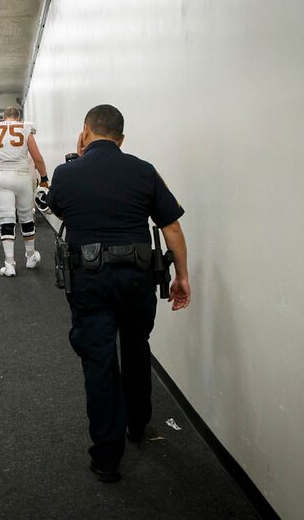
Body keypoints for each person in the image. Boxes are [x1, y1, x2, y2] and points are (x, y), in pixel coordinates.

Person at [45, 104, 191, 483]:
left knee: (100, 361)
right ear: (121, 139)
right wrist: (183, 275)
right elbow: (171, 228)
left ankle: (107, 458)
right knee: (137, 346)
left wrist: (78, 157)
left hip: (89, 280)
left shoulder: (66, 172)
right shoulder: (144, 171)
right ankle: (139, 424)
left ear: (85, 131)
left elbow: (59, 208)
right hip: (138, 278)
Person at [0, 107, 49, 277]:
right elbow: (37, 157)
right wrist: (44, 178)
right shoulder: (25, 128)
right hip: (22, 176)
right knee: (26, 217)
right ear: (18, 118)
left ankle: (9, 263)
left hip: (2, 175)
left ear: (3, 117)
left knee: (6, 219)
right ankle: (30, 256)